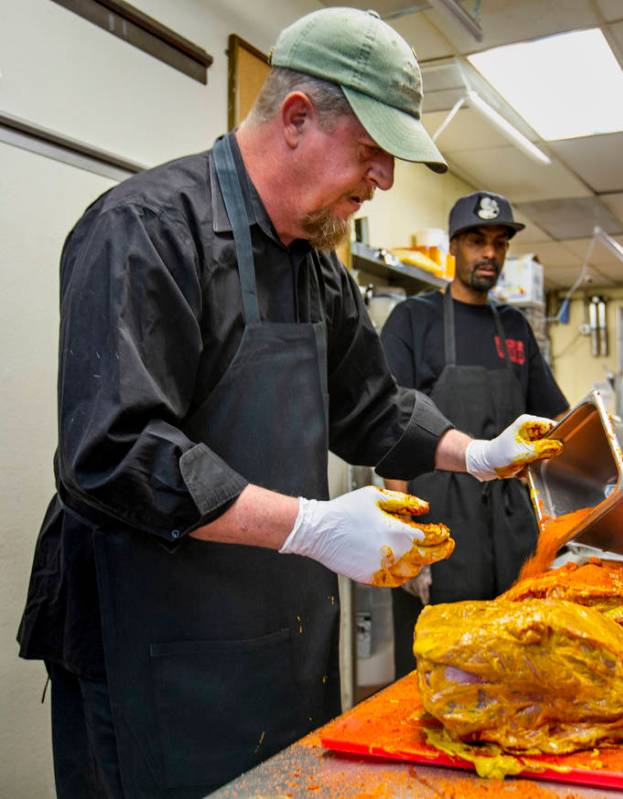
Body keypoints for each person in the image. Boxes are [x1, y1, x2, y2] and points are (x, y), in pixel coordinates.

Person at [16, 10, 560, 798]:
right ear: (298, 118)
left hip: (281, 638)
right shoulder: (144, 230)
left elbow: (370, 409)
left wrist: (472, 453)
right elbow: (116, 453)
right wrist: (308, 525)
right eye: (373, 153)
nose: (385, 182)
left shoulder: (317, 269)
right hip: (150, 646)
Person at [380, 191, 569, 675]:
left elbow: (555, 422)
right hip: (443, 526)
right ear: (454, 247)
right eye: (477, 241)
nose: (490, 253)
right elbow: (389, 428)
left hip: (513, 528)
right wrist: (405, 540)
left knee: (519, 664)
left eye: (500, 243)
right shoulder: (412, 320)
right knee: (442, 670)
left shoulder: (516, 328)